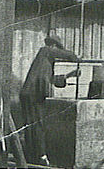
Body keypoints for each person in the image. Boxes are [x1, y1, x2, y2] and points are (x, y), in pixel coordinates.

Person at [19, 34, 81, 165]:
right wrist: (77, 58)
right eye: (57, 48)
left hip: (31, 94)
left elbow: (52, 80)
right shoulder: (45, 50)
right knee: (38, 125)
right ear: (53, 45)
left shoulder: (46, 62)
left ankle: (33, 156)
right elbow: (69, 56)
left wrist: (70, 75)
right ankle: (40, 156)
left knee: (33, 125)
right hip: (34, 94)